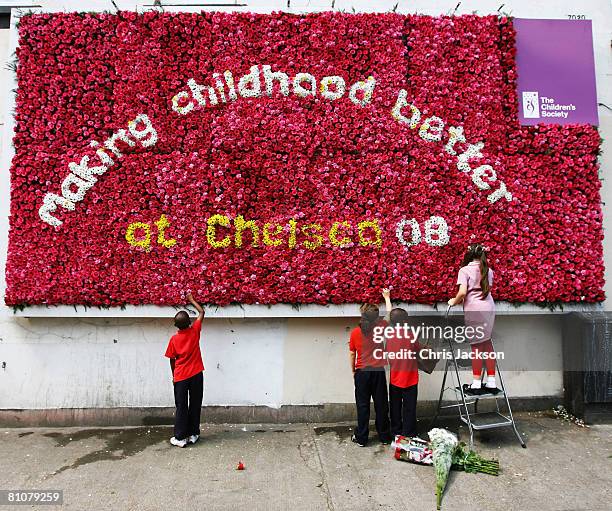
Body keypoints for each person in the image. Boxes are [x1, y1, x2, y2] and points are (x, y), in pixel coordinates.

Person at [448, 243, 498, 395]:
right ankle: (491, 381)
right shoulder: (489, 271)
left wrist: (453, 301)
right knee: (487, 345)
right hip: (489, 308)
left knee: (476, 347)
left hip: (474, 310)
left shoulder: (464, 270)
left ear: (468, 255)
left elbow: (462, 293)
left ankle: (476, 383)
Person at [349, 291, 392, 447]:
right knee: (381, 405)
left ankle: (361, 437)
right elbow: (389, 314)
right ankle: (385, 436)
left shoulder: (355, 333)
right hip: (378, 372)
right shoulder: (381, 328)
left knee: (363, 405)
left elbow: (352, 354)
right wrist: (387, 297)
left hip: (362, 372)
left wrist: (354, 370)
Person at [165, 293, 205, 447]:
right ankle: (194, 433)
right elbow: (201, 312)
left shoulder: (174, 339)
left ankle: (180, 438)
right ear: (189, 322)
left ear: (176, 325)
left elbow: (171, 359)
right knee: (195, 403)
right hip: (196, 374)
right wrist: (191, 300)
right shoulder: (195, 331)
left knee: (182, 406)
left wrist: (174, 376)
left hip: (181, 377)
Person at [385, 303, 421, 438]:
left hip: (395, 378)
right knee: (409, 408)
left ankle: (396, 431)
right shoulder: (410, 334)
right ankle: (409, 432)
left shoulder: (389, 335)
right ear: (405, 321)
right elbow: (418, 349)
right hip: (411, 378)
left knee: (395, 407)